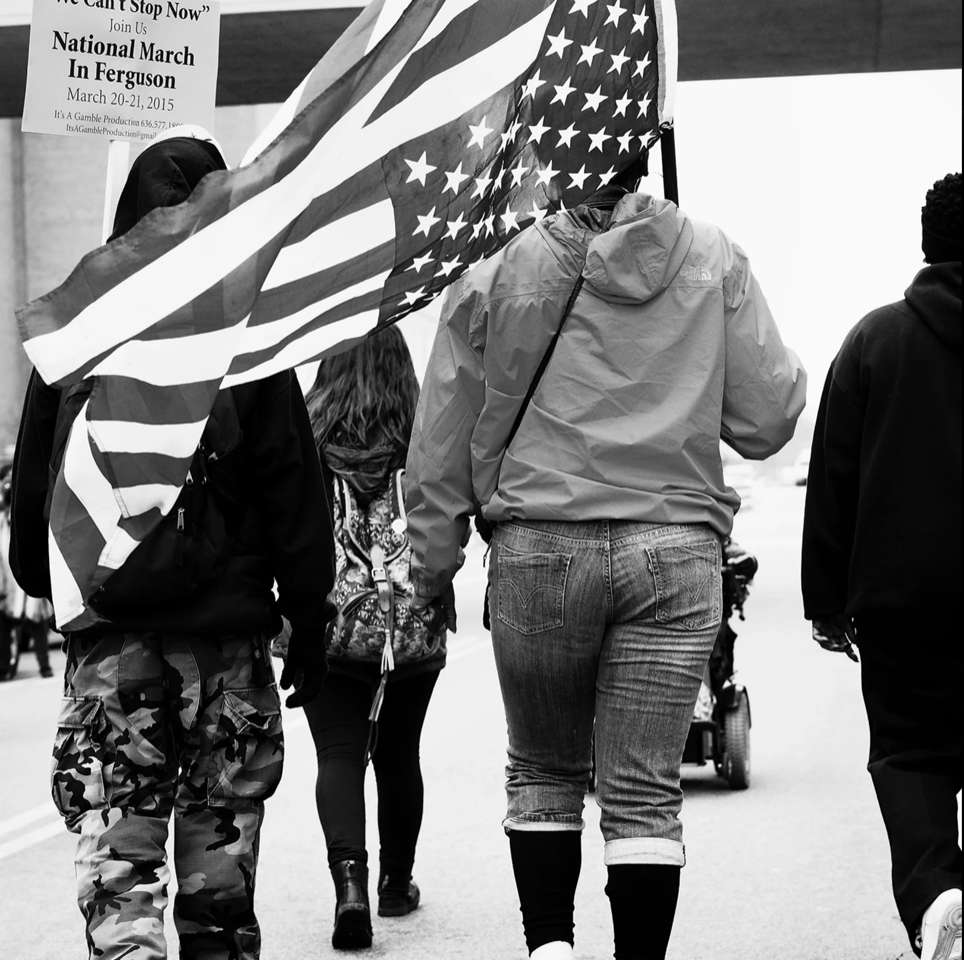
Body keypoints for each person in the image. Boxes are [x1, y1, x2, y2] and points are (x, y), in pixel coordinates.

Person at [404, 166, 806, 960]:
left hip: (540, 546)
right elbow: (767, 420)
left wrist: (432, 566)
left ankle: (550, 950)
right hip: (675, 550)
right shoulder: (712, 257)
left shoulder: (499, 270)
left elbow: (440, 441)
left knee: (545, 771)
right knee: (644, 795)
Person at [10, 128, 337, 960]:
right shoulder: (252, 341)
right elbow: (295, 493)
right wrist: (307, 615)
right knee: (218, 893)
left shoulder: (77, 334)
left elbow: (29, 546)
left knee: (121, 882)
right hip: (227, 654)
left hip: (113, 655)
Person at [802, 173, 962, 960]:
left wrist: (825, 603)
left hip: (905, 605)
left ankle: (940, 897)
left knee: (909, 755)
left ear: (929, 243)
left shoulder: (874, 341)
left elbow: (834, 480)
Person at [302, 327, 447, 951]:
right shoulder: (424, 439)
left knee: (338, 755)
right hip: (409, 627)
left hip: (328, 626)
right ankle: (395, 882)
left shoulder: (306, 442)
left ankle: (350, 888)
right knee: (399, 754)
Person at [1, 463, 54, 680]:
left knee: (35, 622)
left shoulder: (26, 510)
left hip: (27, 572)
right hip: (11, 578)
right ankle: (9, 667)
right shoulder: (3, 522)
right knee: (13, 625)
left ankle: (44, 666)